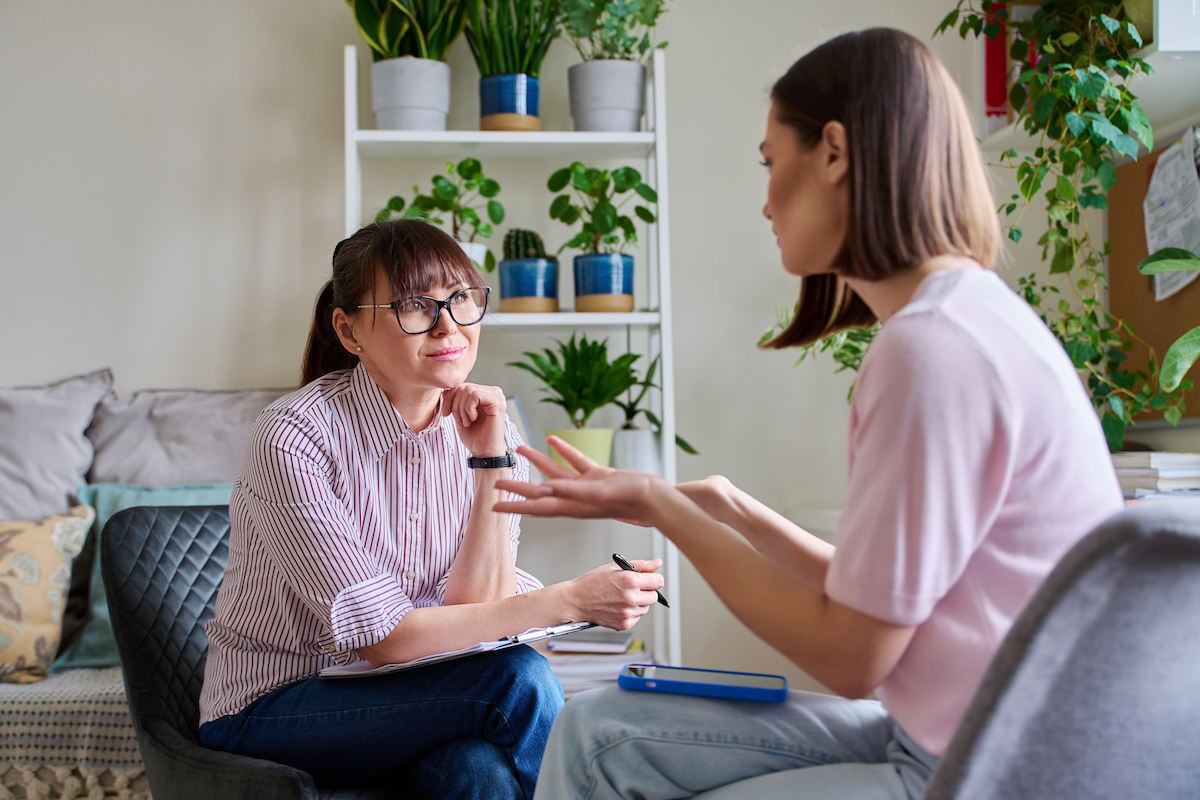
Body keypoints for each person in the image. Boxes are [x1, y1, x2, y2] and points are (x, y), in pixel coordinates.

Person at [494, 28, 1125, 800]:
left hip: (989, 769)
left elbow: (851, 656)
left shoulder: (934, 349)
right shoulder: (963, 320)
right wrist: (730, 508)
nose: (764, 200)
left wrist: (665, 510)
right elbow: (883, 599)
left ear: (833, 152)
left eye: (770, 161)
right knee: (600, 734)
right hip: (953, 735)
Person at [197, 219, 665, 800]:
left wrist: (491, 459)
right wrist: (568, 600)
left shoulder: (489, 430)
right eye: (415, 306)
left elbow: (476, 615)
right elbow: (385, 640)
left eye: (462, 299)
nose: (449, 326)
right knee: (517, 680)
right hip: (274, 706)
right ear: (349, 331)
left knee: (479, 771)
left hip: (413, 696)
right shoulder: (296, 436)